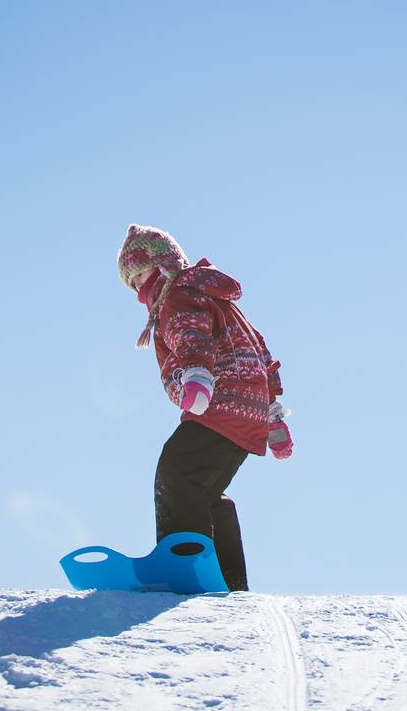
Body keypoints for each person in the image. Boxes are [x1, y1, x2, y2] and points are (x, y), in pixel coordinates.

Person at [116, 223, 292, 592]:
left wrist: (196, 376)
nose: (137, 290)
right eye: (131, 283)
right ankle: (227, 579)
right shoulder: (214, 298)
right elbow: (260, 351)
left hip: (218, 403)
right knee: (206, 491)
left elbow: (190, 334)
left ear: (164, 264)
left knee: (177, 473)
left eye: (140, 275)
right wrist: (272, 415)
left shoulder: (179, 295)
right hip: (248, 411)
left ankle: (184, 567)